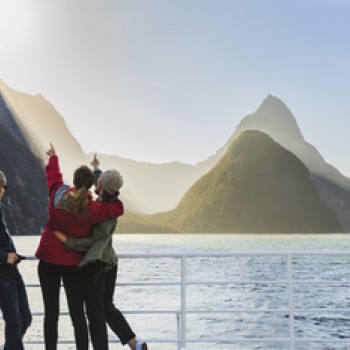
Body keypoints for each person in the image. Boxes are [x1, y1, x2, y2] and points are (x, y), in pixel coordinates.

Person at [35, 144, 124, 350]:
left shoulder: (57, 193)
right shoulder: (92, 208)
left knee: (51, 315)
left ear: (73, 181)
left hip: (48, 260)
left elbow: (53, 178)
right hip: (71, 263)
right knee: (77, 316)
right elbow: (116, 208)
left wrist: (54, 157)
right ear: (92, 184)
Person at [54, 155, 148, 350]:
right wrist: (96, 167)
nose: (97, 180)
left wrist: (68, 241)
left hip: (98, 265)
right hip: (110, 263)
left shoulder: (105, 211)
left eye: (100, 180)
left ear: (103, 187)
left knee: (96, 314)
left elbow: (92, 242)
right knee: (106, 307)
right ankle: (135, 344)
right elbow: (101, 182)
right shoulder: (109, 199)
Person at [0, 170, 32, 349]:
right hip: (2, 273)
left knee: (25, 318)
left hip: (12, 270)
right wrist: (5, 257)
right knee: (14, 322)